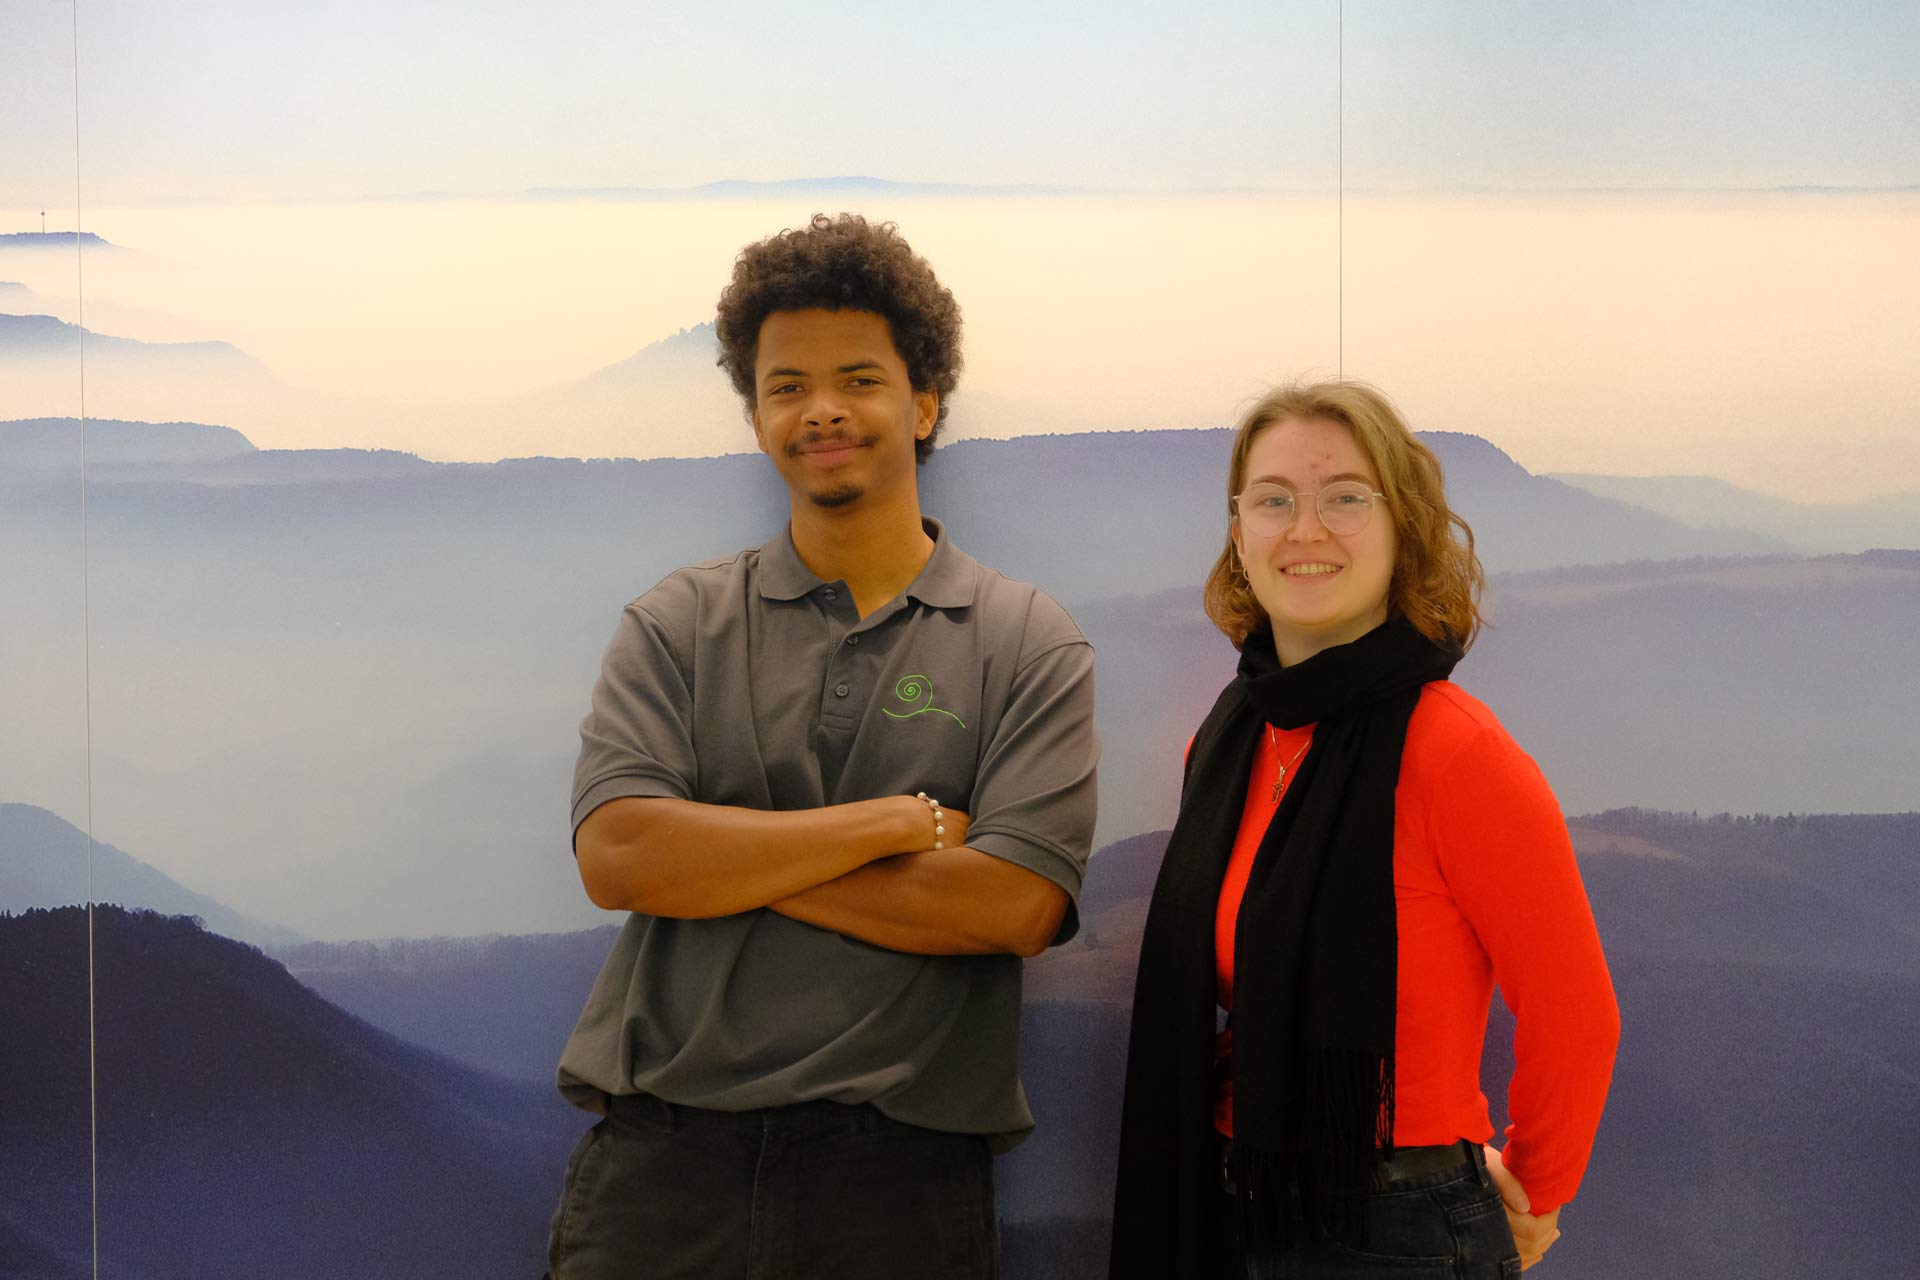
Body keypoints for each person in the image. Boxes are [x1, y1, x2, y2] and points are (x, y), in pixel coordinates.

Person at [546, 213, 1099, 1280]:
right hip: (659, 1170)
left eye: (859, 379)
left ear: (924, 402)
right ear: (757, 417)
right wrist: (892, 824)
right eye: (787, 386)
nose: (822, 410)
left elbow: (1011, 907)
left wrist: (719, 863)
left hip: (899, 1183)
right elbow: (619, 857)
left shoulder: (1028, 640)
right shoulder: (678, 621)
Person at [1111, 381, 1619, 1279]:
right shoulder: (1228, 739)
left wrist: (1537, 1195)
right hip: (1233, 1198)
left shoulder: (1455, 751)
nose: (1305, 530)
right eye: (1274, 501)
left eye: (1346, 498)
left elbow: (1574, 1012)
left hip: (1397, 1226)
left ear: (1403, 529)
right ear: (1239, 534)